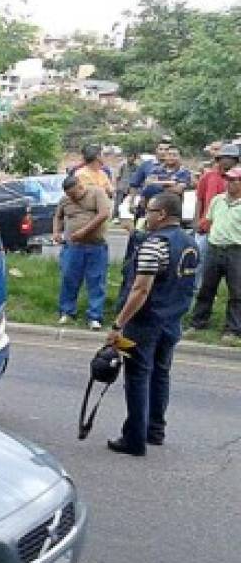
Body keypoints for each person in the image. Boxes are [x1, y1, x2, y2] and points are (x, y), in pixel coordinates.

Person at [105, 191, 199, 456]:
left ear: (162, 215)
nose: (145, 217)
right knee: (160, 374)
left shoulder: (154, 244)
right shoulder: (190, 243)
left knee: (137, 376)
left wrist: (117, 325)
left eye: (149, 212)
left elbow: (140, 290)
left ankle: (134, 439)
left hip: (145, 322)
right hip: (172, 320)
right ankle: (155, 430)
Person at [187, 166, 241, 345]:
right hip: (214, 247)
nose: (230, 183)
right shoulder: (218, 200)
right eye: (229, 180)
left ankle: (232, 329)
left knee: (237, 292)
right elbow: (208, 220)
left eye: (234, 180)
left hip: (236, 250)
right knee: (206, 288)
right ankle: (198, 323)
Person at [54, 174, 112, 329]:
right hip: (73, 247)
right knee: (69, 278)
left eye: (74, 194)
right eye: (69, 195)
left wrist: (84, 231)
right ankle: (67, 311)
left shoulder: (97, 193)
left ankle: (95, 316)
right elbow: (58, 217)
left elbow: (103, 214)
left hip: (96, 246)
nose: (72, 198)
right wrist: (56, 232)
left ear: (80, 186)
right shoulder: (65, 200)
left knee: (96, 281)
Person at [192, 143, 239, 291]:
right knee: (199, 259)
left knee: (228, 268)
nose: (226, 161)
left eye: (230, 158)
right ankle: (195, 290)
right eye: (223, 157)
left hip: (227, 230)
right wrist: (196, 221)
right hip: (206, 226)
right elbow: (199, 199)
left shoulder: (238, 177)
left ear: (236, 160)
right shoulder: (208, 176)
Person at [125, 137, 172, 228]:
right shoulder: (146, 165)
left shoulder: (173, 167)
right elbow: (134, 184)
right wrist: (131, 202)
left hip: (166, 206)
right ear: (156, 150)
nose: (163, 152)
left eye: (166, 150)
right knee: (140, 233)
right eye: (161, 149)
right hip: (146, 205)